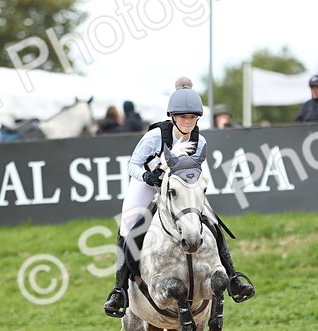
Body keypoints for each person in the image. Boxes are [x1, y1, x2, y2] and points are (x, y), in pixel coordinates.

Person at [102, 85, 256, 318]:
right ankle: (119, 290)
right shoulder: (155, 137)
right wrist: (146, 176)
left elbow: (194, 173)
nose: (187, 122)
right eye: (183, 117)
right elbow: (132, 164)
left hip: (179, 190)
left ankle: (233, 277)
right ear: (172, 117)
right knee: (129, 225)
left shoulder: (199, 141)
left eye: (192, 117)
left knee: (212, 222)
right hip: (148, 184)